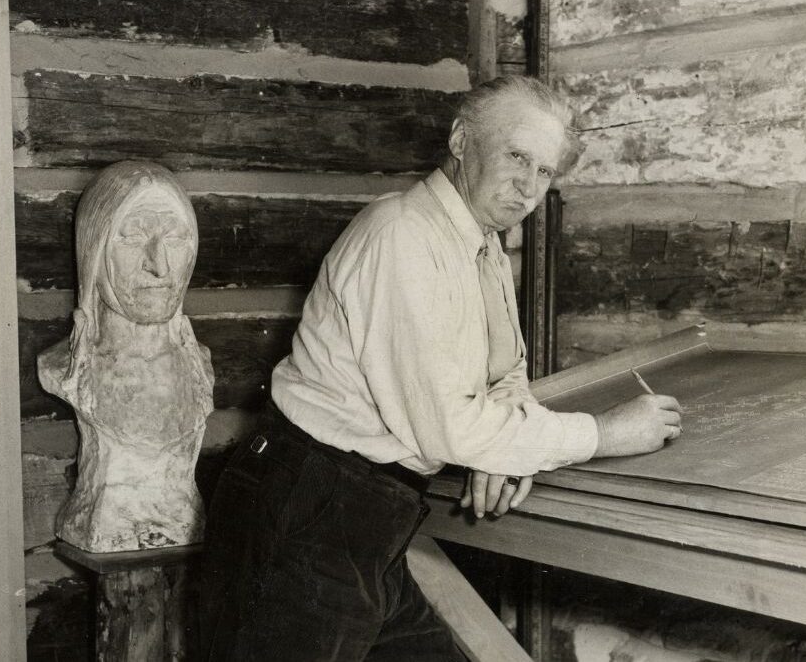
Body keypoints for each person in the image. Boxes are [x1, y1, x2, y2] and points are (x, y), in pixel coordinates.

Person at [200, 76, 682, 660]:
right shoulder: (403, 236)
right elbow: (448, 427)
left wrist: (503, 447)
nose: (527, 187)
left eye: (545, 171)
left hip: (367, 517)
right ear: (460, 140)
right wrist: (605, 434)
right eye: (515, 156)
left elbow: (504, 369)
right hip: (308, 511)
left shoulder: (481, 246)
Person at [39, 160, 213, 552]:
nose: (159, 265)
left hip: (183, 523)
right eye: (132, 239)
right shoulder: (63, 368)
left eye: (175, 239)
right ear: (94, 253)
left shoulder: (199, 364)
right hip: (102, 524)